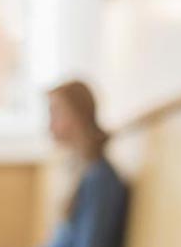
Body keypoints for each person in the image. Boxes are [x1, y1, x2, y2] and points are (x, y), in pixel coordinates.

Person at [42, 80, 127, 247]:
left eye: (56, 113)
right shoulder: (80, 170)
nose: (49, 125)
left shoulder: (101, 180)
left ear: (77, 115)